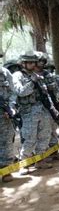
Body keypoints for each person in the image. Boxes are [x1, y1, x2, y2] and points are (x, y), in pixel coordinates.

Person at [12, 51, 53, 174]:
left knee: (45, 136)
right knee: (30, 138)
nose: (31, 64)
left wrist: (51, 107)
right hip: (28, 111)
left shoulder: (37, 76)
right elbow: (20, 91)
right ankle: (24, 163)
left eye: (33, 62)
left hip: (42, 109)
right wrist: (32, 82)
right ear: (23, 63)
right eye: (29, 62)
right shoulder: (17, 76)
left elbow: (45, 93)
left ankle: (40, 160)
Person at [0, 52, 17, 182]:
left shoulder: (5, 73)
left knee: (6, 141)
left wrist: (11, 107)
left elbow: (13, 92)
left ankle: (6, 170)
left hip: (4, 115)